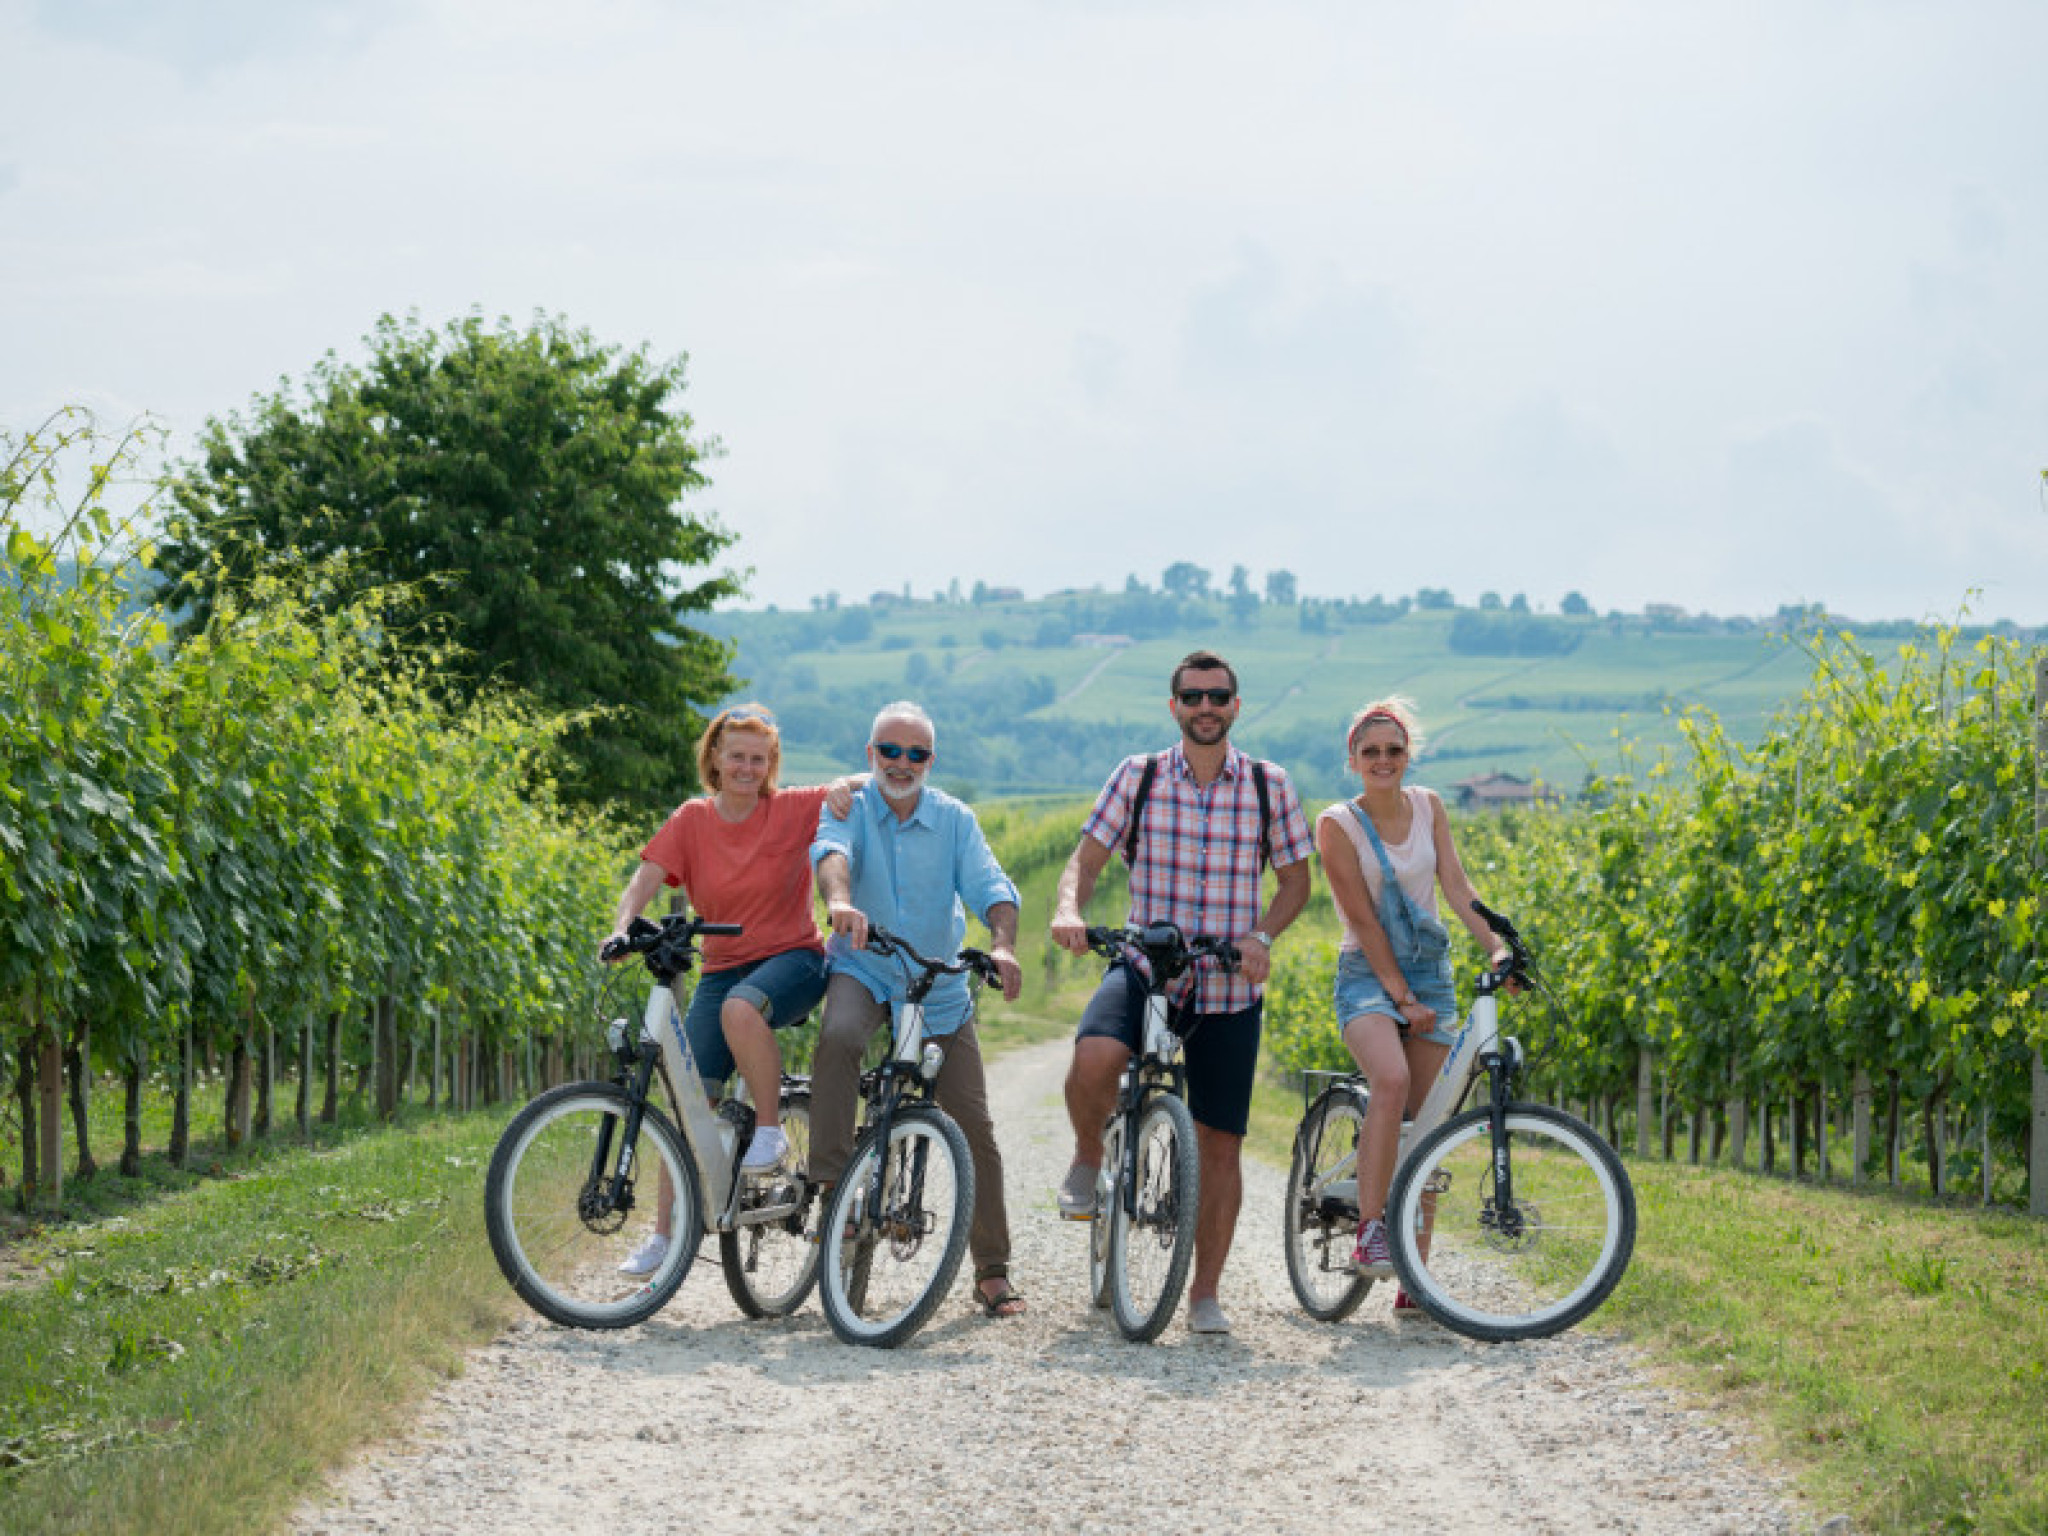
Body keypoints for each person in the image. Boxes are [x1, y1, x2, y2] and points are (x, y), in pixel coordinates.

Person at [1049, 650, 1313, 1335]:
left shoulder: (1268, 785)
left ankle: (1204, 1294)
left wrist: (1262, 936)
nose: (1205, 707)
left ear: (1235, 706)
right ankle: (1088, 1155)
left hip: (1226, 984)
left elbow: (1296, 882)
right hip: (1146, 965)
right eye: (1192, 696)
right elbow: (1086, 860)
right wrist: (1070, 909)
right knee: (1095, 1057)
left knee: (1220, 1144)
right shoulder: (1137, 776)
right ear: (1174, 706)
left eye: (1217, 696)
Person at [601, 703, 858, 1277]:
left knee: (743, 1010)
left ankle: (769, 1130)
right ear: (714, 758)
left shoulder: (790, 808)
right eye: (736, 756)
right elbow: (645, 878)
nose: (746, 767)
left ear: (771, 764)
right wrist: (621, 927)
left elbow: (869, 781)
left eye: (758, 759)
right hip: (721, 970)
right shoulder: (692, 819)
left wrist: (845, 783)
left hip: (794, 960)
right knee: (688, 1103)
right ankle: (665, 1237)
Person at [809, 700, 1029, 1319]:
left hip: (936, 980)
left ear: (931, 760)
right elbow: (831, 856)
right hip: (865, 965)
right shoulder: (850, 804)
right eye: (890, 751)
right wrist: (841, 903)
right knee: (840, 1036)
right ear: (870, 754)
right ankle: (834, 1192)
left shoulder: (955, 819)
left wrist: (1003, 945)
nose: (902, 763)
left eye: (916, 753)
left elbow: (992, 888)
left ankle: (992, 1270)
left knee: (973, 1123)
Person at [1314, 695, 1511, 1314]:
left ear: (1408, 755)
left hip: (1430, 973)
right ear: (1353, 760)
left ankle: (1415, 1278)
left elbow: (1456, 886)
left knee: (1431, 1120)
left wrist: (1498, 948)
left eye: (1393, 750)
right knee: (1391, 1080)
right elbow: (1361, 919)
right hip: (1367, 975)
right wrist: (1399, 996)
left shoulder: (1429, 806)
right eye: (1370, 751)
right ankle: (1372, 1229)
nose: (1383, 760)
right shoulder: (1337, 824)